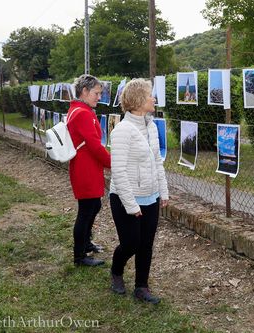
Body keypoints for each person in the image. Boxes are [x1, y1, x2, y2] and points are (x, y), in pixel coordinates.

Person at [109, 78, 169, 304]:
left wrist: (163, 191)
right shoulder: (123, 130)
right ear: (137, 100)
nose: (153, 98)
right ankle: (116, 271)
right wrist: (131, 205)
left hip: (150, 196)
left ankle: (141, 287)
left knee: (146, 243)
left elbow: (157, 161)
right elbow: (119, 172)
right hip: (125, 197)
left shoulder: (151, 126)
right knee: (131, 243)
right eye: (150, 95)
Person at [67, 74, 111, 267]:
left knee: (94, 206)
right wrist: (113, 162)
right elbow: (94, 144)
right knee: (86, 210)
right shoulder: (83, 113)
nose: (99, 97)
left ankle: (85, 243)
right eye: (96, 93)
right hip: (86, 167)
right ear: (84, 92)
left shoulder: (77, 109)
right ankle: (79, 255)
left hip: (86, 165)